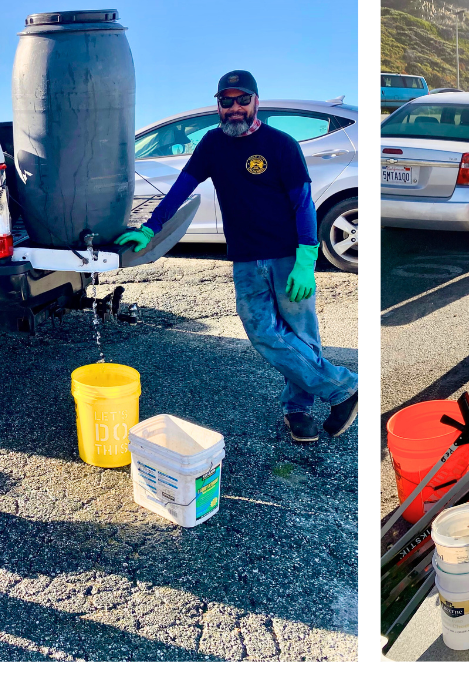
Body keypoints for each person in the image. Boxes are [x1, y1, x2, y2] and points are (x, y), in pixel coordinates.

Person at [118, 71, 358, 444]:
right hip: (245, 258)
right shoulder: (212, 145)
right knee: (263, 332)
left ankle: (298, 409)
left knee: (301, 335)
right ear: (218, 105)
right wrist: (149, 228)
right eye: (225, 101)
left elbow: (302, 203)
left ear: (256, 101)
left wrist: (306, 258)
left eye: (241, 100)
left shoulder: (281, 144)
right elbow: (180, 188)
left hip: (287, 255)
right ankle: (343, 387)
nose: (234, 108)